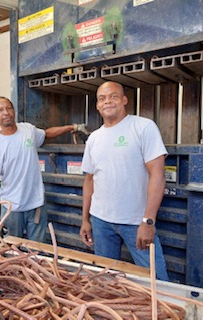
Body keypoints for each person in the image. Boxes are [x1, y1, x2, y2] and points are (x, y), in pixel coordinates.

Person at [79, 81, 169, 281]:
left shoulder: (143, 127)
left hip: (136, 222)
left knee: (156, 281)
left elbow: (158, 175)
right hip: (101, 222)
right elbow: (89, 181)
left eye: (113, 96)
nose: (107, 101)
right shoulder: (94, 138)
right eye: (102, 98)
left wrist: (148, 221)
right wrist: (85, 220)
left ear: (124, 100)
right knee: (105, 280)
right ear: (97, 105)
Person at [0, 96, 89, 243]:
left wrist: (72, 127)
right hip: (12, 208)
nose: (6, 112)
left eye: (8, 108)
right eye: (0, 110)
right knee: (12, 250)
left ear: (14, 111)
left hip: (36, 205)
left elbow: (47, 134)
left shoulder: (27, 129)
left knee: (37, 251)